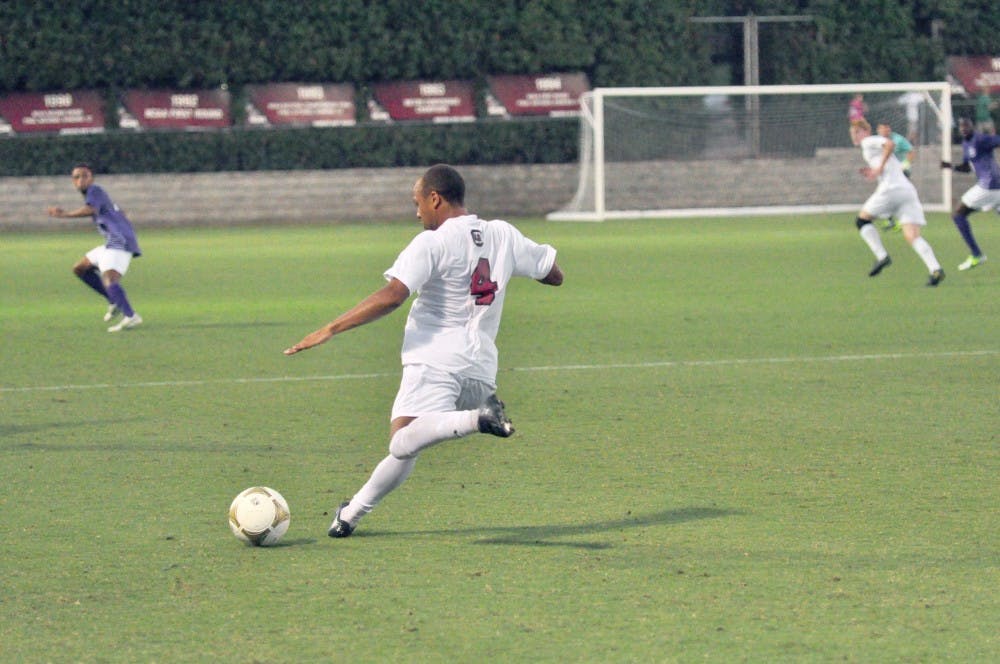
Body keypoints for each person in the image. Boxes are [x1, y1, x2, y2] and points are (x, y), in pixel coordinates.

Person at [284, 164, 563, 538]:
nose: (417, 213)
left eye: (417, 203)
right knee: (409, 443)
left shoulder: (432, 243)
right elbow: (553, 274)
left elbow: (393, 295)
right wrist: (504, 265)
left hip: (435, 360)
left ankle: (476, 419)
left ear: (435, 199)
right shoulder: (503, 234)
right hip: (481, 369)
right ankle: (348, 515)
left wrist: (330, 328)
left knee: (402, 441)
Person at [46, 163, 143, 331]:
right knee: (80, 268)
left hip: (119, 241)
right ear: (73, 181)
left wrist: (65, 214)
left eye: (85, 176)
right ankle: (114, 301)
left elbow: (91, 209)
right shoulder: (95, 194)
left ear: (92, 178)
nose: (80, 180)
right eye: (76, 177)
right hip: (112, 241)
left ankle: (131, 316)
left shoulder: (95, 190)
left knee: (110, 279)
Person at [848, 120, 944, 286]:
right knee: (912, 235)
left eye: (856, 132)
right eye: (852, 133)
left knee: (861, 220)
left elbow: (890, 144)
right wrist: (875, 171)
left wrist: (879, 168)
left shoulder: (868, 141)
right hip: (907, 191)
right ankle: (935, 269)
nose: (854, 136)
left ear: (865, 131)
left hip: (891, 190)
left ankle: (882, 256)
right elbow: (888, 157)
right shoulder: (872, 147)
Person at [941, 116, 1000, 270]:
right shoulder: (966, 144)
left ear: (972, 126)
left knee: (958, 214)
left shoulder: (980, 139)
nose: (964, 129)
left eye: (966, 125)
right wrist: (950, 166)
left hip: (989, 185)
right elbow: (967, 167)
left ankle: (976, 254)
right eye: (961, 126)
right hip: (994, 188)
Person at [876, 122, 915, 232]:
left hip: (900, 172)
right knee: (884, 195)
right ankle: (890, 220)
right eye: (882, 128)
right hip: (886, 173)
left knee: (899, 196)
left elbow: (911, 151)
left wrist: (906, 164)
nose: (885, 130)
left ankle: (903, 220)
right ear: (878, 130)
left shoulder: (898, 139)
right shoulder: (877, 141)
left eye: (887, 128)